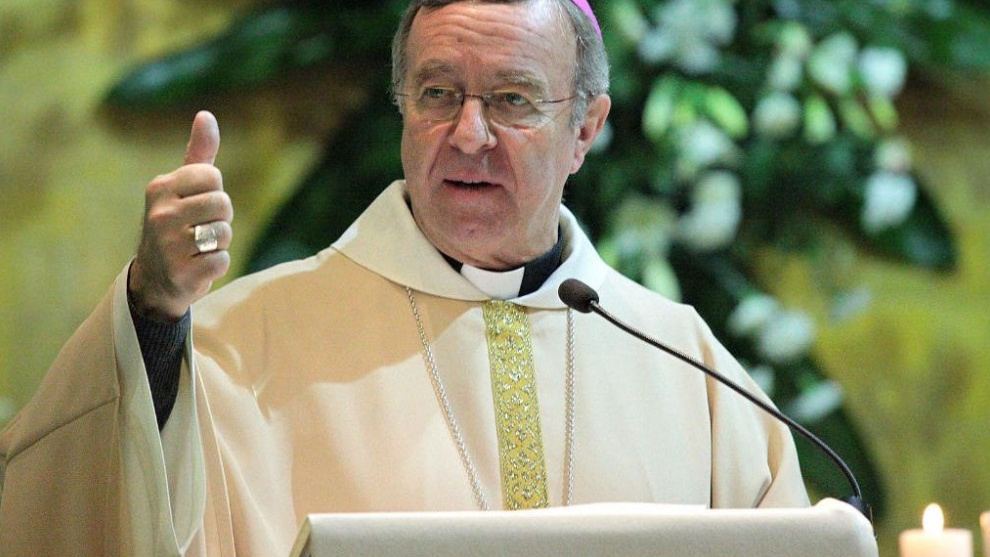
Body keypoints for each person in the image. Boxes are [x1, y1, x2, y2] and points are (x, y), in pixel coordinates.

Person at [0, 0, 809, 555]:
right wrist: (151, 307)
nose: (468, 134)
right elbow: (84, 501)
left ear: (584, 129)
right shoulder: (242, 346)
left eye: (512, 99)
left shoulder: (686, 364)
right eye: (438, 94)